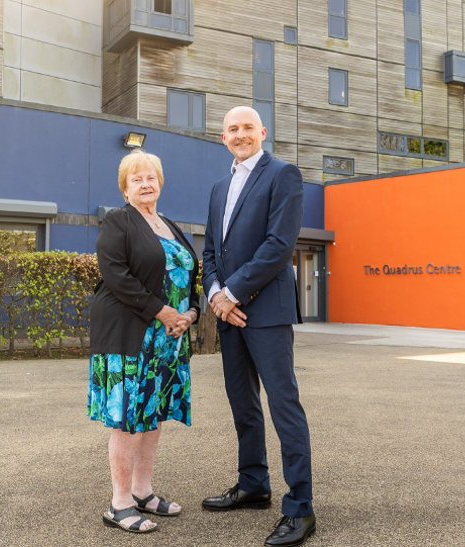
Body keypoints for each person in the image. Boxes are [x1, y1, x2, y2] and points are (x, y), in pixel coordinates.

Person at [201, 106, 316, 546]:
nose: (240, 134)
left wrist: (231, 294)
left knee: (284, 406)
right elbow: (211, 250)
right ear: (223, 137)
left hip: (266, 312)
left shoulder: (283, 175)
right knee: (242, 404)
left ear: (262, 132)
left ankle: (300, 508)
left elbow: (278, 245)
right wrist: (216, 296)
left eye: (248, 127)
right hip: (230, 314)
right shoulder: (218, 187)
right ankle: (253, 484)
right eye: (232, 129)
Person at [88, 148, 200, 534]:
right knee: (129, 420)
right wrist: (163, 311)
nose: (145, 184)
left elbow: (189, 275)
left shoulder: (169, 224)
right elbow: (116, 275)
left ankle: (142, 491)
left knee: (152, 416)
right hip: (131, 337)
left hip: (168, 340)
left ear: (160, 183)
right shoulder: (118, 221)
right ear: (125, 190)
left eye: (151, 177)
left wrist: (191, 313)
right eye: (136, 179)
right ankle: (119, 504)